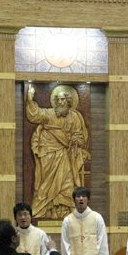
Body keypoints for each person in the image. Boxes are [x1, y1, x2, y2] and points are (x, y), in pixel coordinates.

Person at [26, 84, 89, 219]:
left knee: (67, 184)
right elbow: (35, 115)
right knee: (46, 185)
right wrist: (30, 100)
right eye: (58, 100)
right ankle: (43, 210)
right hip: (48, 155)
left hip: (66, 155)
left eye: (63, 99)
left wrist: (75, 141)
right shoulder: (49, 114)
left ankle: (65, 211)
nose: (60, 102)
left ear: (69, 101)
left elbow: (80, 135)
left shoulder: (75, 117)